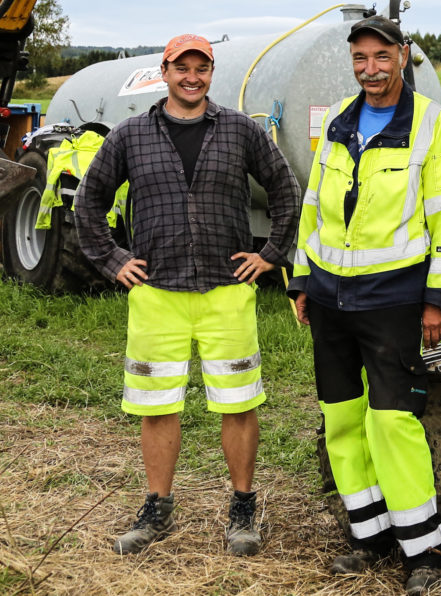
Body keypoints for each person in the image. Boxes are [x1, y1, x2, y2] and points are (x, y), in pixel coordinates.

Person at [74, 34, 300, 556]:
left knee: (239, 404)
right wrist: (113, 260)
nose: (192, 76)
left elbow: (286, 189)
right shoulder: (130, 135)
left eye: (202, 67)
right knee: (157, 406)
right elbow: (89, 204)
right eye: (182, 67)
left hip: (227, 292)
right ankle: (157, 508)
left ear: (211, 73)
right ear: (165, 71)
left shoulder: (241, 131)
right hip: (157, 293)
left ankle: (242, 509)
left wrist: (271, 253)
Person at [287, 15, 441, 595]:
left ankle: (424, 551)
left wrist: (439, 298)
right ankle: (368, 536)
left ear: (403, 55)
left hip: (391, 300)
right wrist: (299, 279)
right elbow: (312, 202)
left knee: (392, 421)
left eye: (381, 57)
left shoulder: (432, 125)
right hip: (329, 296)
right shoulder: (340, 119)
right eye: (360, 58)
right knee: (340, 419)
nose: (371, 69)